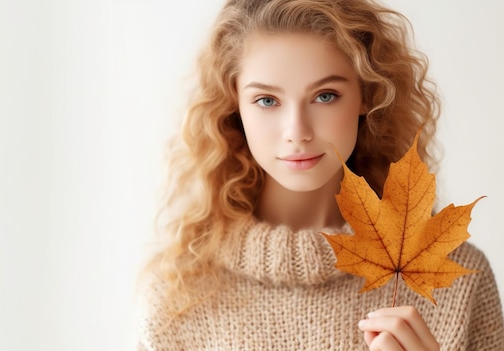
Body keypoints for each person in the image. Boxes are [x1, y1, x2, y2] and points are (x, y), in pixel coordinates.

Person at [136, 0, 504, 349]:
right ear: (234, 105)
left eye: (325, 96)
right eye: (267, 100)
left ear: (366, 95)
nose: (297, 130)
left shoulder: (458, 280)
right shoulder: (177, 296)